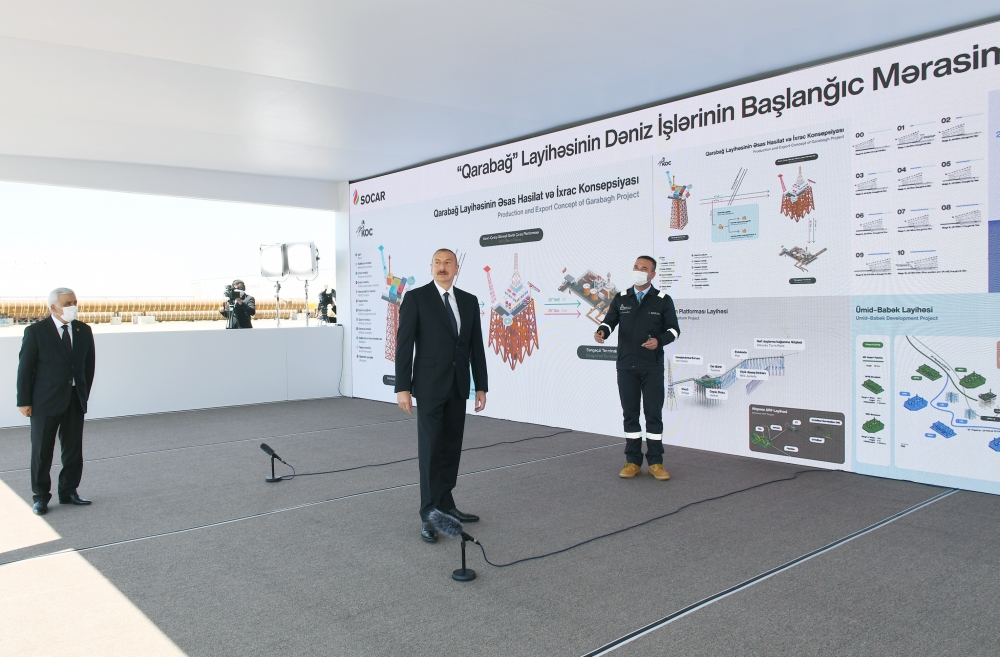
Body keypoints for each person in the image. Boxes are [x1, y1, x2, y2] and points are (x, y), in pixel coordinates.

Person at [395, 248, 488, 542]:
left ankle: (447, 504)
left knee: (451, 447)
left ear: (456, 268)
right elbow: (404, 344)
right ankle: (429, 514)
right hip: (429, 387)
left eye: (448, 262)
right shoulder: (416, 298)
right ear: (431, 267)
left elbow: (475, 347)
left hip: (458, 387)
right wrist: (402, 387)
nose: (442, 267)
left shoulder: (469, 301)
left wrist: (481, 386)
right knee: (431, 450)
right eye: (437, 262)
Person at [595, 256, 680, 480]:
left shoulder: (663, 300)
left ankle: (656, 463)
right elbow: (609, 321)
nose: (639, 271)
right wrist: (602, 332)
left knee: (653, 415)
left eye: (644, 268)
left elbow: (673, 330)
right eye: (636, 267)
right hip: (626, 366)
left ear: (652, 274)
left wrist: (659, 341)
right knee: (630, 414)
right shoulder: (621, 298)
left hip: (652, 367)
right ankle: (632, 461)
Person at [16, 288, 96, 515]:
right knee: (42, 451)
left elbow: (88, 366)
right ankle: (40, 497)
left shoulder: (83, 330)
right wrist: (24, 401)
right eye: (68, 303)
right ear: (54, 307)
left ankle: (69, 491)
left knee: (73, 450)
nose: (73, 306)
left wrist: (83, 394)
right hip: (44, 402)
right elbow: (25, 369)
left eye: (75, 302)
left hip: (74, 400)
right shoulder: (36, 331)